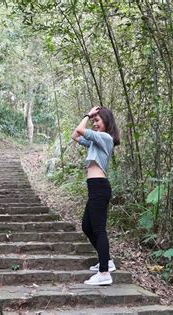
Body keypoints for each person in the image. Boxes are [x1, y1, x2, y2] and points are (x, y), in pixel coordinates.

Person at [71, 106, 120, 286]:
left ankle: (104, 273)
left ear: (107, 122)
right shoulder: (95, 142)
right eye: (94, 121)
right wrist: (89, 119)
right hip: (94, 187)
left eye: (98, 121)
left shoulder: (106, 138)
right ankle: (106, 261)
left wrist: (87, 114)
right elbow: (75, 136)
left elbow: (80, 130)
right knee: (87, 226)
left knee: (99, 229)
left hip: (99, 187)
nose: (95, 124)